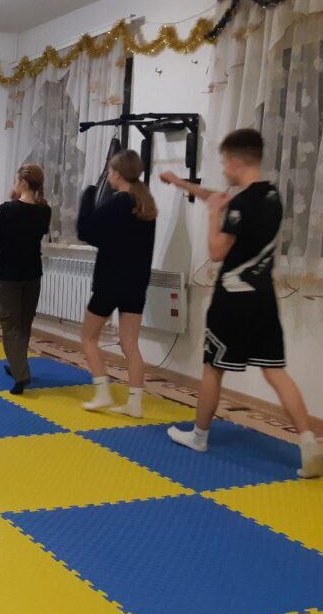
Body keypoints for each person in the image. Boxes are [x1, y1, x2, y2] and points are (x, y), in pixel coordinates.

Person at [161, 129, 321, 477]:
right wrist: (179, 183)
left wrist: (211, 217)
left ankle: (199, 436)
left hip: (232, 300)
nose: (223, 169)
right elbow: (220, 198)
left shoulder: (240, 205)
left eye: (223, 163)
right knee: (275, 371)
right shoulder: (271, 196)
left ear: (235, 161)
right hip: (263, 298)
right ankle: (309, 442)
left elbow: (217, 251)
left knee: (213, 368)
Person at [76, 149, 157, 417]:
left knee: (89, 338)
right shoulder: (145, 205)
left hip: (110, 282)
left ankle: (102, 393)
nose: (109, 175)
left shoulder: (117, 203)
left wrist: (88, 197)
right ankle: (135, 403)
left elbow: (86, 232)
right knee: (130, 343)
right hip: (136, 284)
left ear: (118, 174)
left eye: (110, 171)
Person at [0, 164, 52, 394]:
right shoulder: (44, 210)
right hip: (32, 274)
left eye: (16, 181)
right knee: (24, 324)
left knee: (10, 326)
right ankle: (17, 365)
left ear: (22, 183)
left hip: (9, 276)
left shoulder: (7, 209)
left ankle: (21, 375)